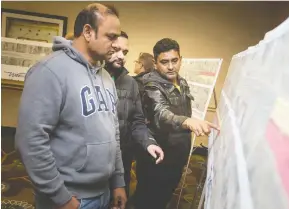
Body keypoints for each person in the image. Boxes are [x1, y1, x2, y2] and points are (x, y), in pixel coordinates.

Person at [15, 3, 127, 209]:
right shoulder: (49, 71)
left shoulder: (106, 77)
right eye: (111, 36)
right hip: (69, 198)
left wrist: (117, 181)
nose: (115, 44)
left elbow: (114, 134)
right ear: (87, 31)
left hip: (104, 192)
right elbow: (30, 141)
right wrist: (61, 197)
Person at [133, 38, 220, 209]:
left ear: (181, 59)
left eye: (175, 60)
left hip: (177, 153)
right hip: (158, 156)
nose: (171, 66)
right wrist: (187, 121)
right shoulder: (151, 85)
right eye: (164, 62)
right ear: (156, 63)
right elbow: (161, 113)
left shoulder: (182, 82)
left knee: (165, 194)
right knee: (148, 199)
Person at [104, 31, 164, 199]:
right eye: (115, 50)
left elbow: (137, 120)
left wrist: (148, 143)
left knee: (118, 201)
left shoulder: (130, 83)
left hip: (122, 156)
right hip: (93, 162)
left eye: (125, 52)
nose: (121, 56)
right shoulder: (89, 78)